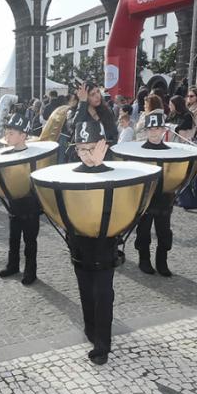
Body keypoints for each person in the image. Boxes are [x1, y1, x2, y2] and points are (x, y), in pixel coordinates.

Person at [67, 121, 118, 365]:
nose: (86, 155)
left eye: (91, 148)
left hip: (105, 242)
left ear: (103, 146)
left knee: (103, 293)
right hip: (79, 242)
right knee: (85, 289)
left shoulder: (115, 174)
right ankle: (91, 329)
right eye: (81, 149)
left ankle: (102, 344)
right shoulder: (70, 174)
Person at [0, 114, 42, 286]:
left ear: (23, 136)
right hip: (14, 204)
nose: (7, 136)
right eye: (6, 132)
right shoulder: (5, 154)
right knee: (13, 238)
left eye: (11, 133)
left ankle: (31, 271)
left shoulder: (33, 155)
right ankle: (13, 265)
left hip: (30, 205)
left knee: (30, 240)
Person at [134, 110, 178, 277]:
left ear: (164, 130)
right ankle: (144, 259)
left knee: (164, 232)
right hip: (145, 198)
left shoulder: (170, 151)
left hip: (164, 197)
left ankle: (162, 261)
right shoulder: (138, 151)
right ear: (146, 131)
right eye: (151, 129)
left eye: (158, 128)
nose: (154, 132)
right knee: (143, 231)